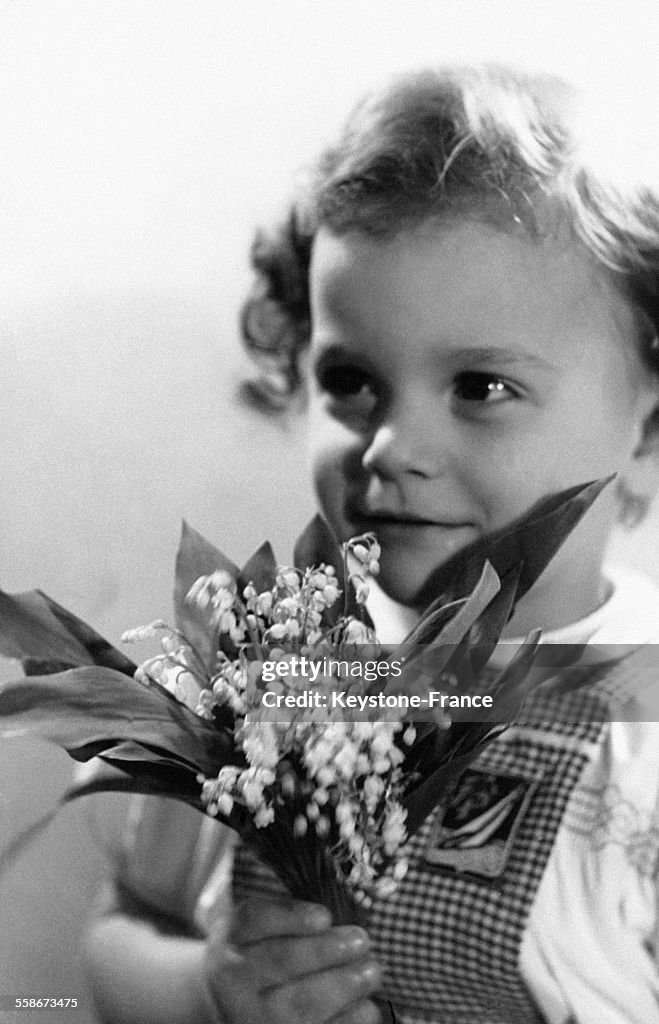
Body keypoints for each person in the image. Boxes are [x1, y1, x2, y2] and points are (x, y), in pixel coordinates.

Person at [84, 65, 659, 1024]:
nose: (389, 446)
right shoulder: (266, 674)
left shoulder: (644, 720)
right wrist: (204, 994)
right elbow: (122, 927)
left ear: (644, 433)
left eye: (479, 386)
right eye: (350, 380)